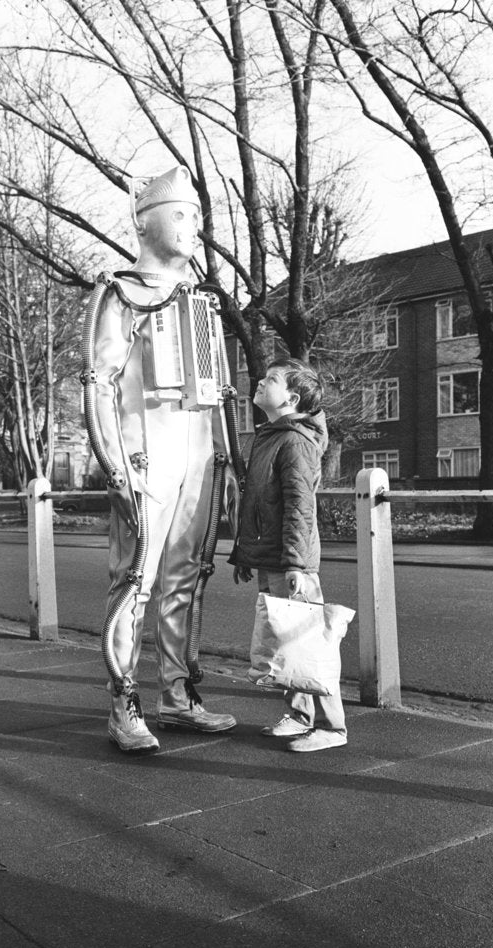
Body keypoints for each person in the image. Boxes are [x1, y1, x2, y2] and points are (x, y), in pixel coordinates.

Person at [81, 166, 239, 753]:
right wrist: (114, 464)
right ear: (146, 224)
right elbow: (99, 382)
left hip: (199, 456)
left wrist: (228, 462)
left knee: (185, 579)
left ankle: (178, 694)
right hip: (146, 454)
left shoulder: (202, 302)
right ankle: (124, 702)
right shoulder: (120, 292)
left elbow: (219, 394)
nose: (193, 227)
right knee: (136, 580)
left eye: (196, 216)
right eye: (181, 214)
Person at [230, 358, 347, 752]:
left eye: (271, 380)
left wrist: (297, 562)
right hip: (274, 555)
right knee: (287, 639)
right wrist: (249, 555)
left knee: (309, 640)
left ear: (291, 398)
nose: (260, 382)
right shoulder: (270, 435)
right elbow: (259, 501)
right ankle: (299, 717)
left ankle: (333, 727)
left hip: (291, 559)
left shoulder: (294, 441)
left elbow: (300, 505)